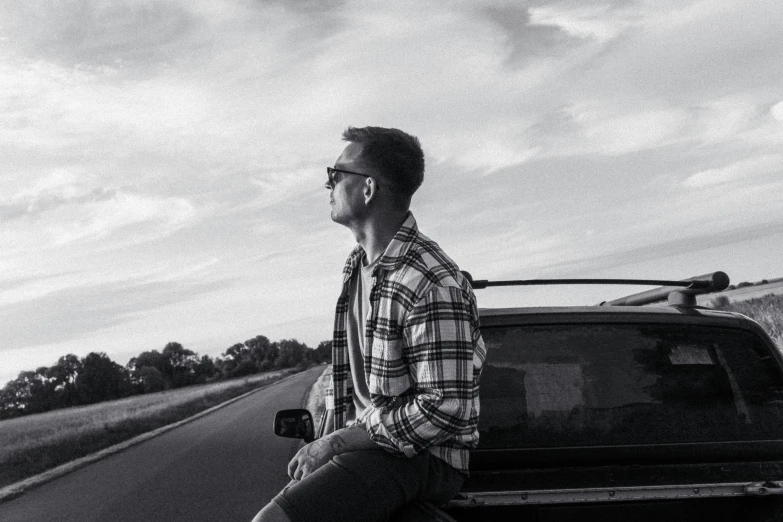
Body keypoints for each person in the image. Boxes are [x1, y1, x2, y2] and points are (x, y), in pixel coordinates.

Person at [252, 126, 485, 522]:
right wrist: (329, 440)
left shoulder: (429, 282)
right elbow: (352, 387)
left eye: (336, 174)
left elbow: (443, 409)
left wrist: (337, 444)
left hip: (424, 456)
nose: (328, 184)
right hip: (370, 448)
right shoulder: (356, 267)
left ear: (369, 189)